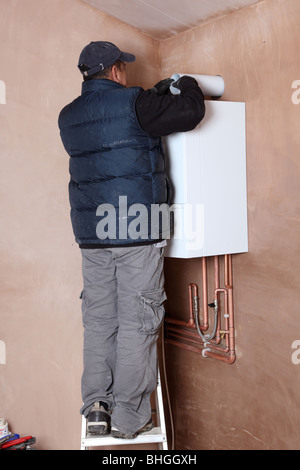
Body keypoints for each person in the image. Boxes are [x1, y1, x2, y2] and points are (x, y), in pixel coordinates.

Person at [58, 41, 205, 439]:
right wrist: (185, 82)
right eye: (124, 66)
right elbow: (191, 111)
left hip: (92, 236)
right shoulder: (134, 104)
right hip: (136, 229)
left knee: (101, 320)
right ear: (116, 70)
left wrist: (150, 97)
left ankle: (97, 406)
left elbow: (110, 138)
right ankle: (128, 417)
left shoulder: (68, 116)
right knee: (138, 322)